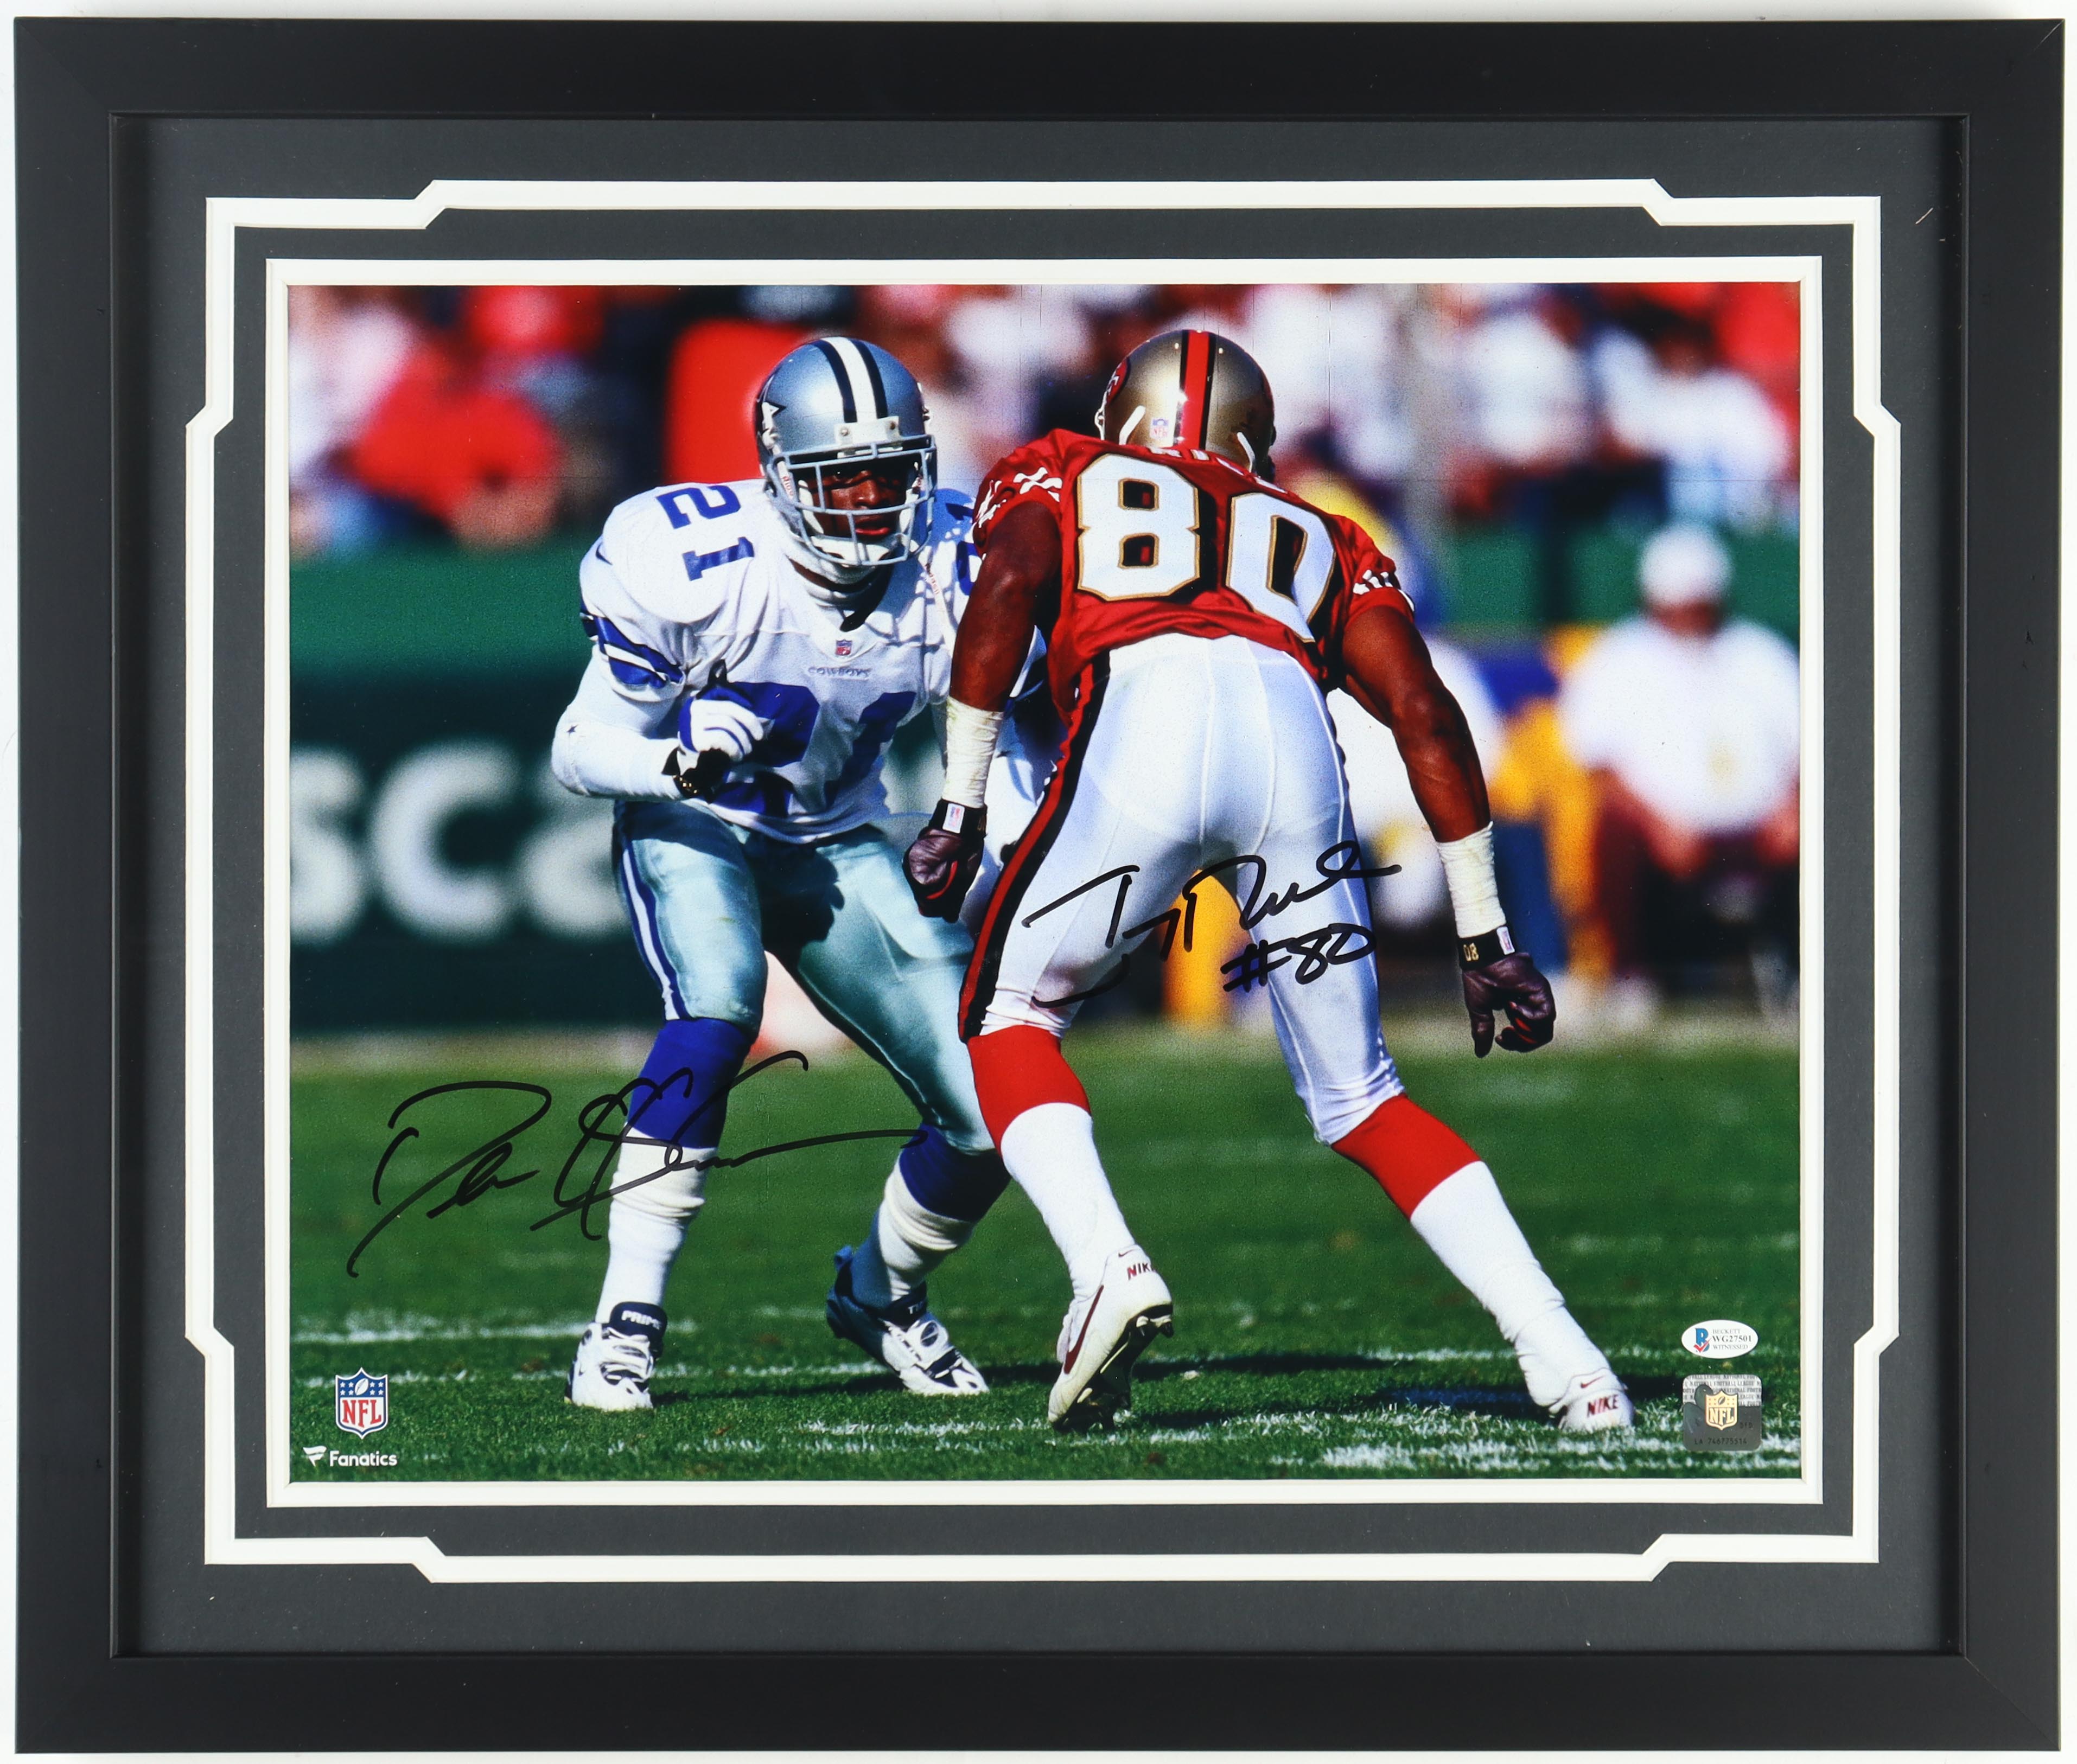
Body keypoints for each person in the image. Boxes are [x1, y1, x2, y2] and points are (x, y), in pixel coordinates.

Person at [905, 330, 1631, 1436]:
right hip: (1294, 749)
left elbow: (1006, 584)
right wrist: (1487, 936)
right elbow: (1423, 713)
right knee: (1365, 1100)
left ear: (1126, 414)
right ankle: (1571, 1361)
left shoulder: (1066, 464)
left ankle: (1106, 1267)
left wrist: (959, 803)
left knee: (1008, 1011)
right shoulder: (1324, 530)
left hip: (1143, 707)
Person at [551, 337, 1024, 1410]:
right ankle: (624, 1320)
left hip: (838, 838)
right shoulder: (694, 558)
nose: (870, 502)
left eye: (889, 473)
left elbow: (1019, 726)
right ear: (778, 472)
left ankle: (881, 1292)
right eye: (841, 478)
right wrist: (677, 759)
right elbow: (577, 747)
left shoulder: (954, 566)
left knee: (994, 1108)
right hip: (698, 820)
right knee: (715, 1011)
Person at [1558, 523, 1800, 1019]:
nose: (1690, 617)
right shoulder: (1618, 657)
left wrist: (1793, 808)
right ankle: (1632, 979)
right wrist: (1658, 825)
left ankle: (1803, 974)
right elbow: (1597, 764)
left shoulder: (1759, 652)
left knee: (1823, 827)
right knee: (1613, 829)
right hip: (1664, 833)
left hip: (1759, 830)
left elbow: (1805, 744)